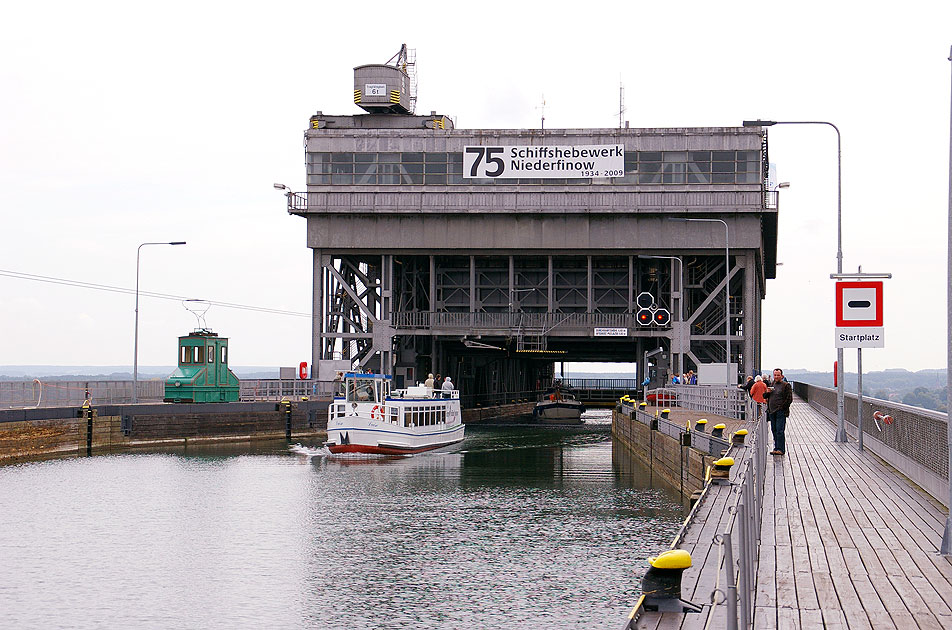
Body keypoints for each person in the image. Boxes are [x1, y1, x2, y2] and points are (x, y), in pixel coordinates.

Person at [764, 368, 793, 455]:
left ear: (782, 376)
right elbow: (764, 396)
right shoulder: (772, 384)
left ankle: (781, 449)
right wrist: (767, 392)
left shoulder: (786, 385)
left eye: (778, 375)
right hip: (772, 411)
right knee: (774, 430)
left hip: (780, 411)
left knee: (780, 430)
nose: (776, 377)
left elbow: (789, 399)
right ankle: (776, 448)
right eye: (775, 375)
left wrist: (782, 407)